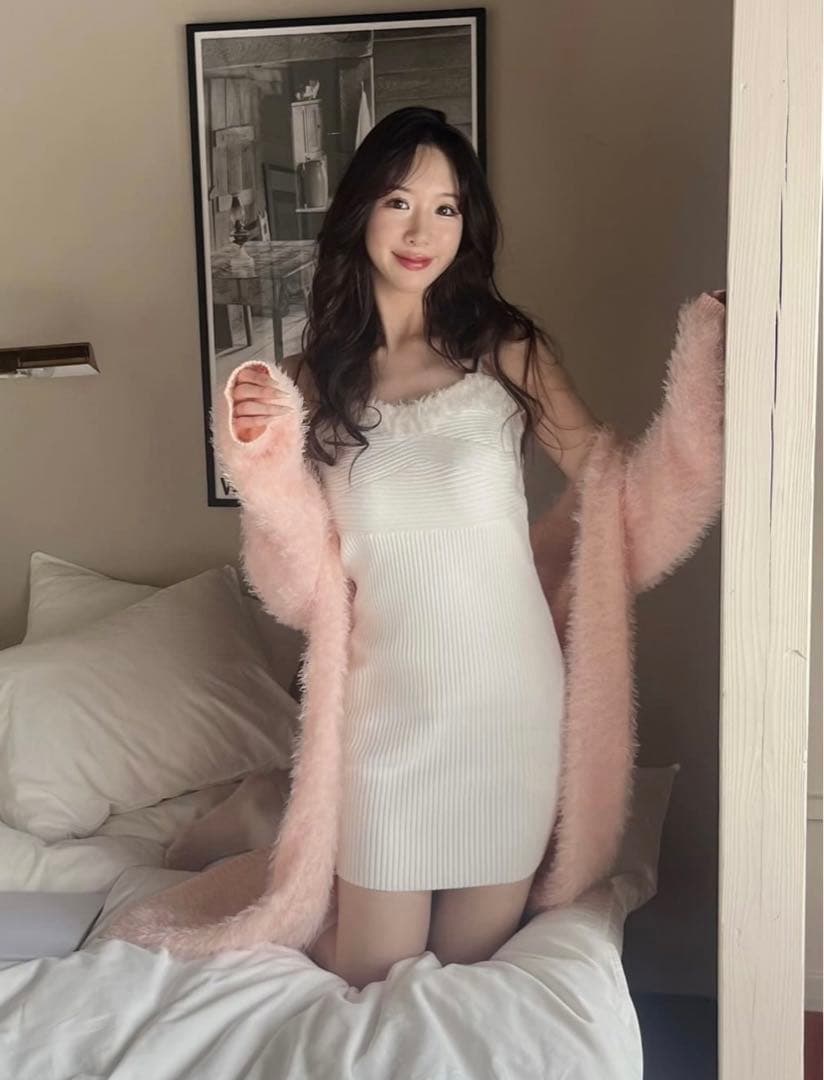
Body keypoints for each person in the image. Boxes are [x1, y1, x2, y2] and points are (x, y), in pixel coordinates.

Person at [230, 106, 605, 989]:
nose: (421, 232)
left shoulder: (507, 352)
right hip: (384, 714)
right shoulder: (310, 382)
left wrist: (715, 388)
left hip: (506, 708)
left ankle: (253, 821)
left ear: (467, 224)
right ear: (361, 209)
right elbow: (291, 577)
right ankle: (252, 827)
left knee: (466, 979)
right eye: (399, 202)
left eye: (446, 208)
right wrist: (253, 452)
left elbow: (614, 480)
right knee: (372, 976)